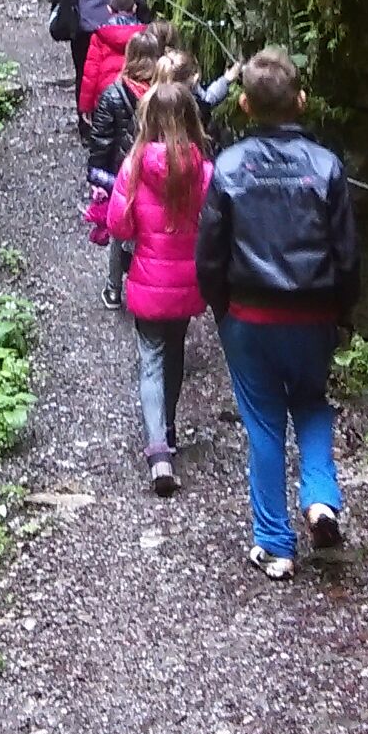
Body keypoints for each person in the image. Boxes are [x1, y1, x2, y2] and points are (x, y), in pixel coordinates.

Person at [195, 47, 360, 579]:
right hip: (313, 315)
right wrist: (342, 314)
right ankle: (320, 499)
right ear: (301, 101)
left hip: (249, 316)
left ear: (244, 105)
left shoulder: (228, 166)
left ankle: (275, 544)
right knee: (311, 403)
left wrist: (222, 310)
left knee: (264, 424)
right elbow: (347, 255)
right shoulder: (327, 167)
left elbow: (210, 255)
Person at [107, 83, 213, 495]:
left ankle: (158, 452)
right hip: (186, 283)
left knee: (150, 360)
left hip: (148, 281)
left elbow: (119, 225)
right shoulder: (204, 170)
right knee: (175, 352)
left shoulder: (134, 165)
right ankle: (168, 428)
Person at [88, 31, 164, 309]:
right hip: (156, 174)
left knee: (120, 233)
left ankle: (113, 289)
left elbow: (101, 141)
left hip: (122, 176)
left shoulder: (112, 94)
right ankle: (147, 285)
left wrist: (96, 175)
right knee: (150, 232)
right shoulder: (164, 96)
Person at [51, 0, 149, 131]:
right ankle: (121, 124)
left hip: (84, 29)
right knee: (123, 74)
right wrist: (146, 23)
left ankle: (87, 125)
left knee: (84, 75)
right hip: (122, 28)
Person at [78, 0, 146, 120]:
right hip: (138, 94)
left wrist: (86, 107)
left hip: (106, 95)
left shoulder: (100, 36)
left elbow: (91, 73)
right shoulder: (145, 36)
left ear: (109, 9)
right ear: (134, 8)